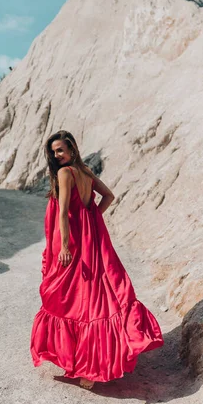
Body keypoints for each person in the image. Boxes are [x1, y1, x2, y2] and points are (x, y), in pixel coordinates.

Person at [30, 130, 164, 390]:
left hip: (72, 241)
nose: (57, 155)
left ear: (72, 149)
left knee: (69, 297)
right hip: (91, 237)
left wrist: (66, 245)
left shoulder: (65, 173)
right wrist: (92, 218)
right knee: (95, 293)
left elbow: (64, 212)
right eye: (53, 151)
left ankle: (86, 368)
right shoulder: (87, 172)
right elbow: (109, 197)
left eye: (60, 150)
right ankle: (94, 364)